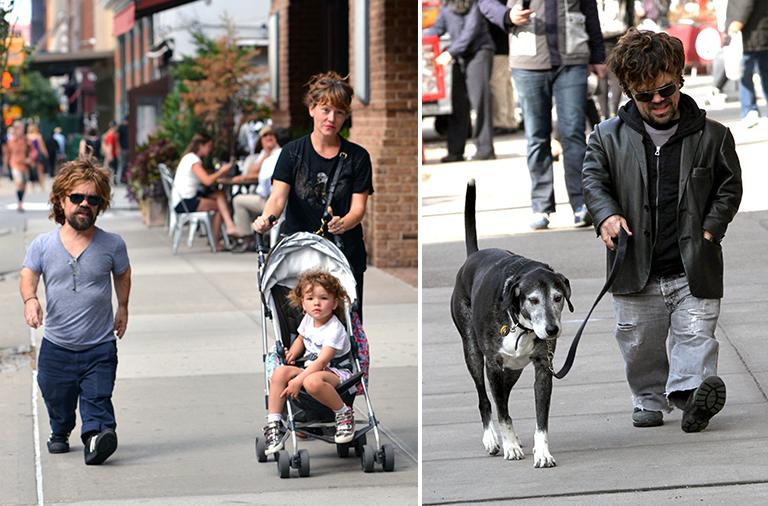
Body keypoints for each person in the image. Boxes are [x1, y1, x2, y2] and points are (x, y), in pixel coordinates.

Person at [582, 29, 743, 431]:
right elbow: (592, 181)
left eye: (665, 90)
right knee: (640, 346)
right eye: (644, 95)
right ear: (629, 93)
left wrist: (711, 229)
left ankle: (692, 398)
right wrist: (605, 215)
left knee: (696, 338)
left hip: (693, 266)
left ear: (679, 77)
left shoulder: (713, 136)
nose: (657, 101)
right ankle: (648, 397)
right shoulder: (606, 137)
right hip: (634, 267)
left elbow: (729, 186)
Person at [20, 157, 131, 465]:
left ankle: (98, 437)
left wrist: (122, 307)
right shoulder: (43, 244)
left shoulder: (112, 244)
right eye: (77, 197)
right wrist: (31, 300)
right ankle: (60, 429)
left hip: (99, 346)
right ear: (61, 199)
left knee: (98, 399)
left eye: (93, 199)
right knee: (58, 398)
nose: (85, 204)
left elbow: (122, 273)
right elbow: (28, 274)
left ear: (101, 204)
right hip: (57, 346)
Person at [251, 71, 374, 320]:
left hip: (343, 252)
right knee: (299, 323)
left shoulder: (357, 157)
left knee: (345, 322)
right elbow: (277, 198)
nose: (332, 118)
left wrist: (344, 222)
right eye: (325, 110)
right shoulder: (292, 153)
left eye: (339, 112)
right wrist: (267, 219)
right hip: (300, 253)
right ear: (312, 109)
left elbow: (358, 208)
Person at [478, 0, 606, 230]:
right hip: (528, 61)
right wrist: (507, 15)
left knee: (574, 134)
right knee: (537, 137)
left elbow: (589, 8)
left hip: (572, 58)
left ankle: (582, 205)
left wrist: (598, 55)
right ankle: (541, 206)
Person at [262, 270, 355, 455]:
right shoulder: (308, 320)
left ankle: (344, 414)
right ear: (303, 304)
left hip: (335, 372)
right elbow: (301, 339)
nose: (317, 303)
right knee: (280, 372)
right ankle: (274, 423)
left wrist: (297, 380)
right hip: (310, 368)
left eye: (323, 298)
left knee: (310, 381)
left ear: (335, 303)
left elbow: (321, 362)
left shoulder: (334, 329)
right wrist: (293, 355)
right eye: (310, 298)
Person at [424, 0, 496, 162]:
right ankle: (455, 151)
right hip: (459, 56)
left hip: (479, 52)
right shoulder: (446, 6)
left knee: (480, 102)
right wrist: (420, 37)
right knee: (458, 104)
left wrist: (450, 53)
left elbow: (470, 32)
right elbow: (438, 28)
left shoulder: (476, 4)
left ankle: (485, 148)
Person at [171, 133, 239, 250]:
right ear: (200, 146)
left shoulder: (189, 158)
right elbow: (207, 181)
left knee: (219, 194)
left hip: (184, 199)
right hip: (185, 202)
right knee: (219, 206)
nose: (210, 149)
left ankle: (229, 226)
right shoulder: (193, 159)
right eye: (209, 146)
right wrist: (222, 171)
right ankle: (216, 242)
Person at [229, 125, 283, 253]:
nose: (269, 138)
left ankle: (246, 238)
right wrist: (265, 154)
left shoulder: (278, 154)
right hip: (268, 198)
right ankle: (251, 237)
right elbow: (251, 171)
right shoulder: (264, 155)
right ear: (261, 140)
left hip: (272, 200)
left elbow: (264, 181)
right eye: (265, 136)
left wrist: (244, 178)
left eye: (271, 135)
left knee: (238, 200)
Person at [726, 0, 768, 128]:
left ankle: (749, 110)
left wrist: (737, 22)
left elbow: (744, 3)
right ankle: (750, 110)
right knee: (764, 73)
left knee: (745, 73)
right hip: (759, 29)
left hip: (750, 32)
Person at [4, 123, 33, 211]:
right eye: (20, 128)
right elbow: (7, 153)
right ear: (16, 130)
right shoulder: (11, 141)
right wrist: (5, 165)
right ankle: (19, 204)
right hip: (15, 163)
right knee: (19, 183)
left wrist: (29, 158)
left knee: (24, 184)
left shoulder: (26, 140)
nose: (21, 130)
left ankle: (21, 201)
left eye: (22, 128)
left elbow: (32, 151)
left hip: (24, 164)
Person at [27, 123, 49, 188]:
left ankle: (32, 186)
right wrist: (46, 154)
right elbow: (42, 146)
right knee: (40, 171)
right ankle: (42, 185)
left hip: (31, 155)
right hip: (38, 155)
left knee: (32, 170)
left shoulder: (27, 136)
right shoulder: (38, 136)